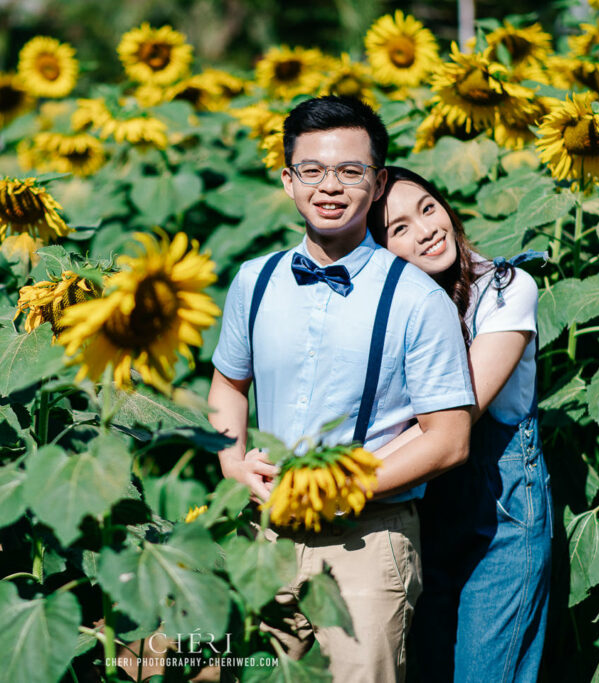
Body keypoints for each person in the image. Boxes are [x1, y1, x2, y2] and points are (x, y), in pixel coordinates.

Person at [207, 95, 475, 683]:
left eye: (350, 171)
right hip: (262, 536)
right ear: (289, 180)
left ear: (377, 185)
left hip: (366, 543)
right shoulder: (255, 280)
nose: (330, 186)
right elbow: (227, 387)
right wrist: (231, 465)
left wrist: (341, 488)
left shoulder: (416, 298)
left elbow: (450, 439)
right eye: (313, 170)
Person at [366, 166, 552, 683]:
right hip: (420, 508)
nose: (426, 228)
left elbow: (458, 411)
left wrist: (336, 480)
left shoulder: (505, 289)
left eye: (428, 208)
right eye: (398, 227)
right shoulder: (391, 312)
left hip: (501, 507)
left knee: (485, 670)